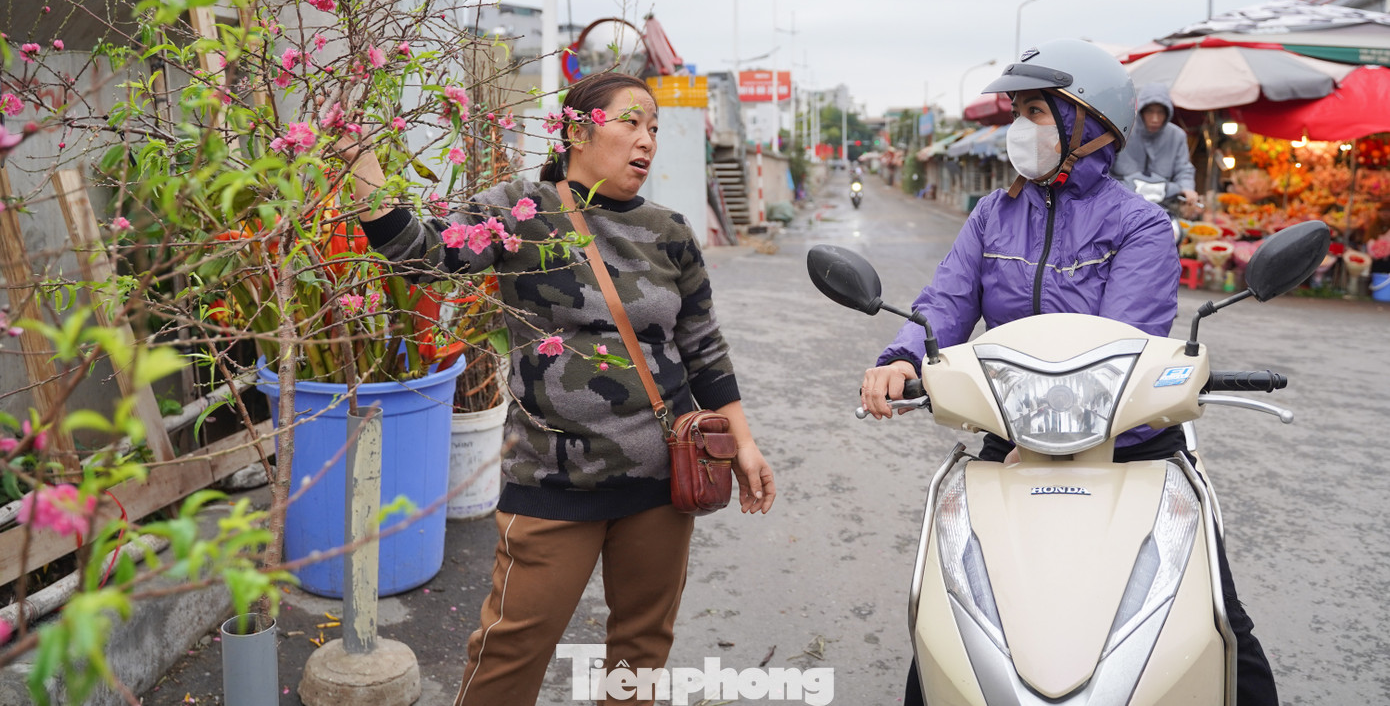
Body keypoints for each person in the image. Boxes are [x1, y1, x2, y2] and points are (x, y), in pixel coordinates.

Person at [858, 39, 1278, 706]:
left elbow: (1122, 341)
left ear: (1087, 122)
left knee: (1218, 616)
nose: (1021, 127)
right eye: (1018, 111)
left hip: (1131, 446)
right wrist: (905, 355)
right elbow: (946, 301)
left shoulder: (1139, 224)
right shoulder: (991, 216)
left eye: (1036, 111)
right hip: (1012, 442)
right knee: (949, 621)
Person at [339, 72, 776, 706]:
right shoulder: (521, 210)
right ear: (576, 129)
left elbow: (704, 350)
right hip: (552, 480)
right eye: (630, 122)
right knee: (510, 649)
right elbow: (425, 255)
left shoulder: (672, 231)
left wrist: (743, 443)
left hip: (661, 480)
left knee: (642, 649)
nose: (646, 140)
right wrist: (362, 162)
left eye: (654, 128)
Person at [1112, 81, 1200, 208]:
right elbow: (1106, 167)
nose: (1155, 118)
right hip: (1121, 200)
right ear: (1141, 111)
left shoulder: (1177, 135)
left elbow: (1184, 168)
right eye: (1149, 112)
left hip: (1163, 206)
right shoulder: (1124, 130)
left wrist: (1187, 188)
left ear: (1168, 113)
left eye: (1160, 112)